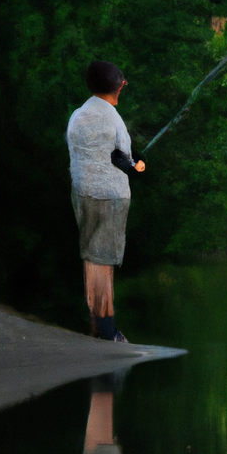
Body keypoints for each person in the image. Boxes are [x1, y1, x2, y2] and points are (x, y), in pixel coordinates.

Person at [66, 61, 145, 342]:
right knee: (103, 261)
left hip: (82, 195)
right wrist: (134, 165)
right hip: (110, 198)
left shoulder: (78, 115)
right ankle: (106, 330)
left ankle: (97, 324)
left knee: (91, 255)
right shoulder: (113, 119)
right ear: (118, 87)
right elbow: (122, 155)